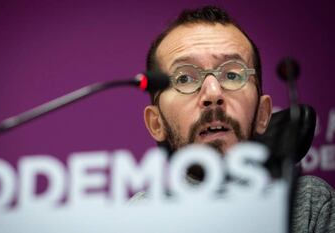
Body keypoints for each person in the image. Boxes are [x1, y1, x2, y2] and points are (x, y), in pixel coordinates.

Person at [141, 5, 335, 233]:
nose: (213, 94)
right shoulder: (139, 216)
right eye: (184, 78)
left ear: (263, 114)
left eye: (232, 75)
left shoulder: (310, 204)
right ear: (156, 123)